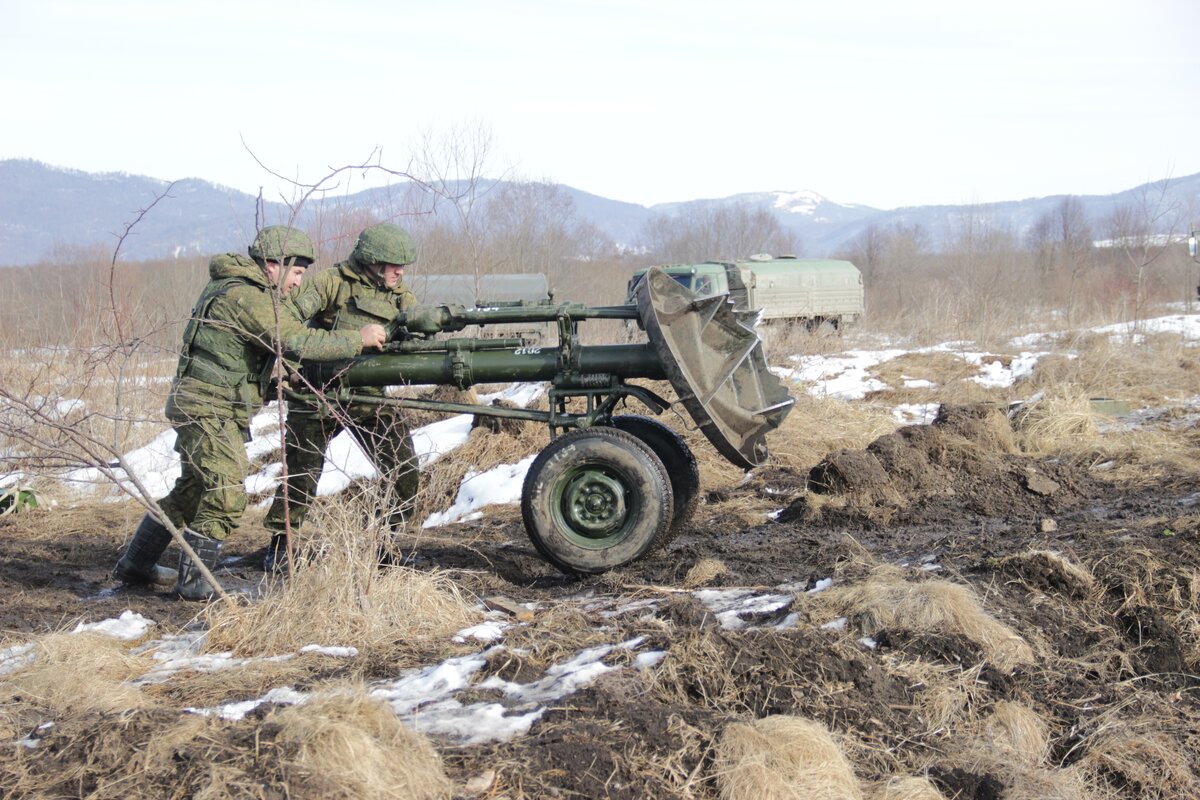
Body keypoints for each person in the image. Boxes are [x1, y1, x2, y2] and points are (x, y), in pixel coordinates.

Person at [112, 225, 389, 600]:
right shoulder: (247, 296)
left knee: (192, 490)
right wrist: (358, 338)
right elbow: (295, 340)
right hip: (208, 410)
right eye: (297, 273)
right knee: (226, 494)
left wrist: (267, 380)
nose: (297, 283)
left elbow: (235, 353)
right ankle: (195, 587)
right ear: (274, 265)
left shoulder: (237, 289)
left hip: (208, 404)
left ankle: (136, 563)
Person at [262, 222, 420, 572]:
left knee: (404, 467)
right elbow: (287, 324)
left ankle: (383, 542)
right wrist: (289, 368)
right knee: (302, 471)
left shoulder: (400, 297)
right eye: (394, 264)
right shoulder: (330, 282)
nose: (400, 271)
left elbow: (414, 338)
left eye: (403, 265)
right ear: (372, 261)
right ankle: (280, 545)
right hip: (316, 391)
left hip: (367, 393)